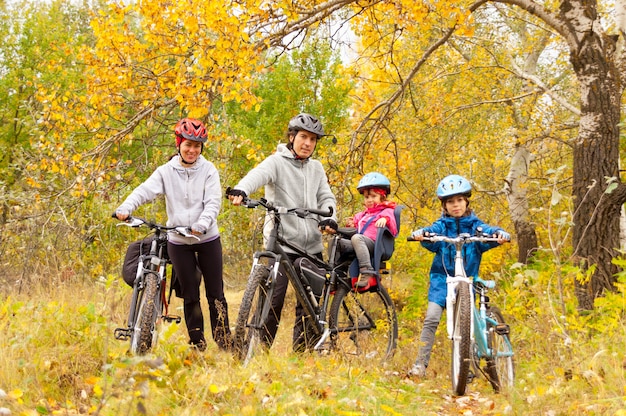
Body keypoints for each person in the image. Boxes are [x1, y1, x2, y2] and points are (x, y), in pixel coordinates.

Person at [114, 118, 231, 352]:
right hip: (178, 241)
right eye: (188, 144)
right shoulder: (166, 171)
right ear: (178, 143)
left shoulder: (208, 170)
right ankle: (198, 343)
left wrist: (202, 223)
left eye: (197, 146)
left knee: (215, 293)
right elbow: (145, 190)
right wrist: (126, 208)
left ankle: (225, 342)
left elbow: (213, 202)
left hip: (207, 238)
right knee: (190, 294)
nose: (192, 150)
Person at [228, 112, 337, 352]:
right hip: (282, 244)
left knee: (309, 305)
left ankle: (303, 356)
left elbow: (326, 196)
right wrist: (241, 190)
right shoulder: (276, 162)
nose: (307, 143)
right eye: (303, 137)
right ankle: (258, 352)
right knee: (272, 301)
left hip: (311, 246)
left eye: (313, 139)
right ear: (292, 137)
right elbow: (256, 176)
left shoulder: (317, 168)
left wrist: (330, 217)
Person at [407, 174, 510, 377]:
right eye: (451, 202)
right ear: (444, 206)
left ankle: (469, 367)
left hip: (467, 280)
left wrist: (499, 234)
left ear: (466, 201)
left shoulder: (474, 225)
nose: (456, 205)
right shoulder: (442, 226)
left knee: (468, 322)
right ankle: (420, 365)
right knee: (431, 318)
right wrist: (422, 234)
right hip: (441, 281)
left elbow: (487, 230)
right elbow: (431, 233)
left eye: (459, 200)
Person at [346, 172, 398, 289]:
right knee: (337, 241)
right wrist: (351, 224)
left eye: (374, 196)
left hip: (375, 244)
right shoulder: (363, 215)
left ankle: (366, 270)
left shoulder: (386, 211)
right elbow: (355, 224)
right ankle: (338, 275)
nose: (369, 200)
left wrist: (385, 219)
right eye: (367, 197)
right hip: (360, 243)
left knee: (357, 238)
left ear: (382, 197)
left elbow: (393, 225)